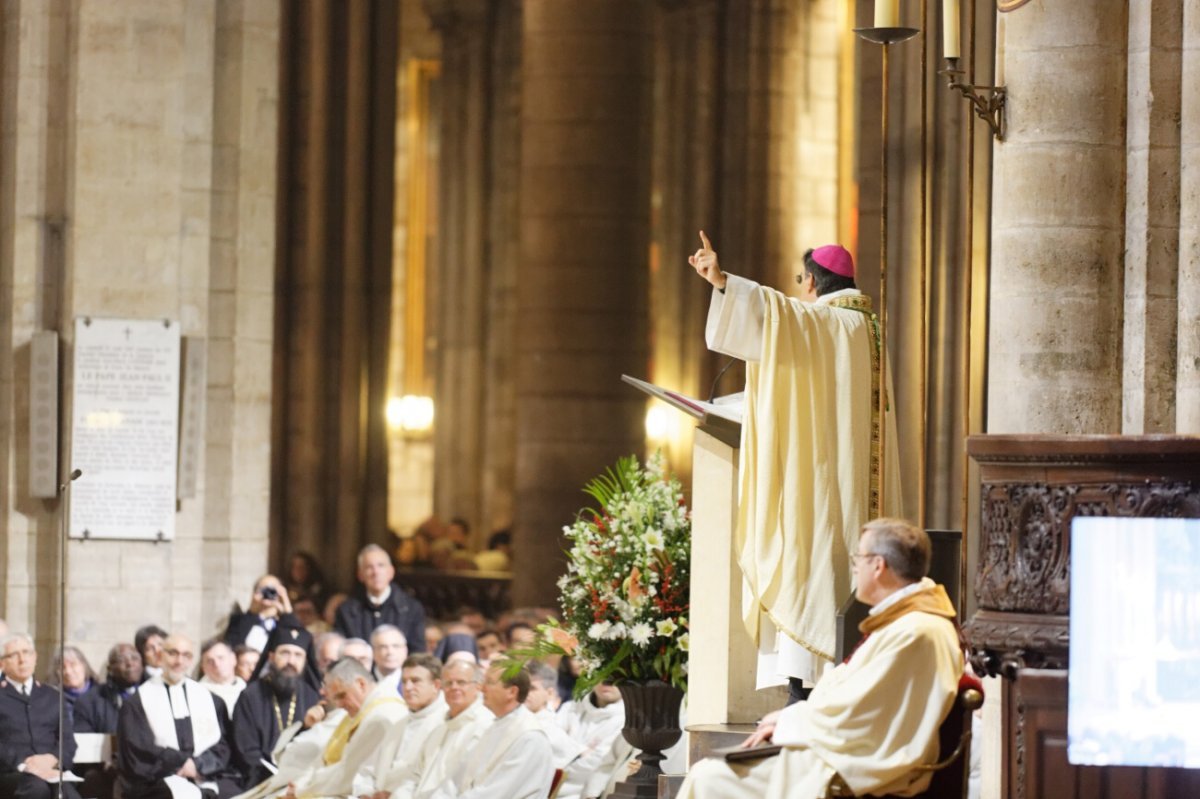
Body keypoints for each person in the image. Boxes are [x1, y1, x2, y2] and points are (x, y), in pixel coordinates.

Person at [689, 232, 902, 694]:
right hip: (854, 479)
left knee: (811, 555)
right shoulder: (866, 327)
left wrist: (722, 281)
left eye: (801, 279)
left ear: (812, 281)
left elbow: (774, 314)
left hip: (821, 481)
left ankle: (802, 686)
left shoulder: (825, 323)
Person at [677, 519, 963, 799]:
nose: (855, 566)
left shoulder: (915, 631)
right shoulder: (903, 623)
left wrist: (789, 721)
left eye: (858, 558)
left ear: (878, 566)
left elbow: (856, 711)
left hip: (859, 767)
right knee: (710, 774)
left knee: (708, 780)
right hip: (845, 752)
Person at [117, 633, 241, 799]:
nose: (179, 661)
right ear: (160, 655)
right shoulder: (137, 703)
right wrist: (180, 763)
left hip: (205, 775)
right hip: (158, 780)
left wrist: (198, 765)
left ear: (192, 660)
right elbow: (138, 750)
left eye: (186, 655)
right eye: (173, 653)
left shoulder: (211, 700)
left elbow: (224, 746)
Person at [281, 657, 408, 799]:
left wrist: (301, 790)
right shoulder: (363, 710)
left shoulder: (382, 716)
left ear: (361, 684)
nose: (339, 704)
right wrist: (300, 785)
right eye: (335, 698)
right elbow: (323, 759)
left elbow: (349, 774)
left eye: (342, 696)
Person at [425, 666, 553, 798]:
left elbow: (494, 793)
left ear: (512, 692)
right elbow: (455, 780)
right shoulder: (494, 727)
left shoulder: (529, 737)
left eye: (490, 683)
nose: (481, 688)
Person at [376, 660, 493, 799]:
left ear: (478, 687)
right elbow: (414, 776)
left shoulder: (486, 726)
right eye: (448, 683)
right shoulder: (440, 729)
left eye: (461, 682)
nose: (454, 687)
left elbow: (467, 786)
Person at [230, 626, 321, 787]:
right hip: (259, 780)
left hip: (301, 782)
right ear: (271, 657)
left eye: (298, 655)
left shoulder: (311, 697)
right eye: (285, 653)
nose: (291, 661)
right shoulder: (250, 696)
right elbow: (246, 751)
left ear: (305, 660)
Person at [0, 633, 79, 799]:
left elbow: (68, 741)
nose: (22, 660)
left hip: (52, 771)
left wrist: (52, 759)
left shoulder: (52, 696)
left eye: (27, 652)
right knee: (37, 789)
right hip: (11, 773)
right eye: (14, 655)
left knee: (67, 793)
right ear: (2, 663)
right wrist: (24, 764)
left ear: (35, 657)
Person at [334, 545, 426, 651]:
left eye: (381, 566)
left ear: (391, 572)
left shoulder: (412, 609)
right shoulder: (346, 611)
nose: (376, 572)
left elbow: (417, 653)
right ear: (360, 575)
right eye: (369, 567)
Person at [554, 683, 633, 799]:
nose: (607, 682)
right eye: (603, 672)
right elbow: (549, 744)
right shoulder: (571, 707)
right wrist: (580, 752)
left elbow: (599, 762)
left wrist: (563, 754)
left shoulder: (628, 720)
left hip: (582, 793)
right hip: (546, 783)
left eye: (615, 676)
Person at [75, 642, 144, 734]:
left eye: (134, 658)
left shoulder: (155, 695)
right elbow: (86, 741)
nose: (130, 663)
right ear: (110, 669)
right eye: (122, 660)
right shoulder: (88, 701)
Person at [225, 575, 294, 654]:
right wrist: (258, 615)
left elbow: (297, 639)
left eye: (272, 590)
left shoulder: (284, 623)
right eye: (264, 590)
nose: (268, 593)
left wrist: (286, 606)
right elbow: (232, 646)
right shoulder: (239, 621)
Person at [48, 645, 99, 721]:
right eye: (62, 667)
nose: (68, 672)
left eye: (73, 665)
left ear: (84, 666)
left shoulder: (102, 695)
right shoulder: (52, 699)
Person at [199, 640, 246, 717]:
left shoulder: (245, 688)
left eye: (221, 658)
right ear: (203, 667)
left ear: (233, 659)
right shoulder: (199, 694)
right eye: (210, 661)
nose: (217, 664)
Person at [370, 626, 409, 693]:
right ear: (373, 651)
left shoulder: (414, 681)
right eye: (383, 647)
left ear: (405, 650)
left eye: (396, 646)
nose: (390, 652)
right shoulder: (365, 682)